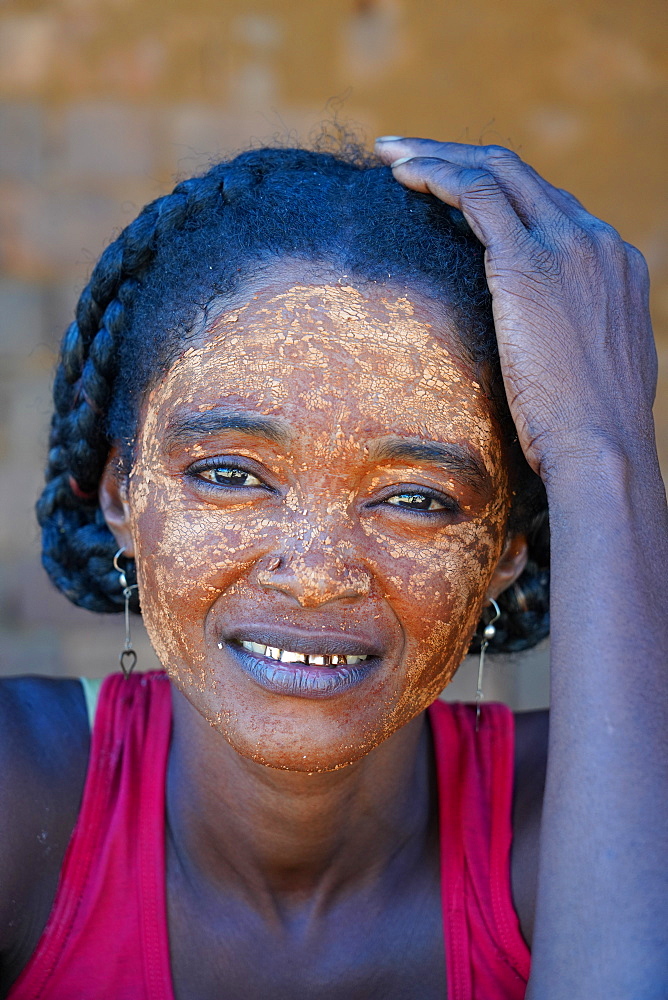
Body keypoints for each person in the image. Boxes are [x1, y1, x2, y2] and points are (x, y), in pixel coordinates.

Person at [0, 135, 665, 1000]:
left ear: (507, 547)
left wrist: (602, 449)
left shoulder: (590, 821)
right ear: (121, 497)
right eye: (231, 475)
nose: (315, 573)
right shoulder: (21, 790)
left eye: (417, 498)